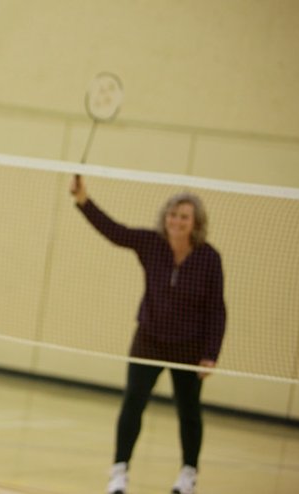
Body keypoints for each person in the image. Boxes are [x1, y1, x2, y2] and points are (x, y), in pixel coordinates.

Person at [70, 176, 226, 494]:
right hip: (150, 339)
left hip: (188, 346)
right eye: (172, 214)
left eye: (183, 216)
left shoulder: (209, 258)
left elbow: (217, 309)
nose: (176, 220)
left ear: (195, 222)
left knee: (189, 412)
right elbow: (115, 232)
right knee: (132, 403)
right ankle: (119, 472)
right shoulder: (152, 244)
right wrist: (84, 201)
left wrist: (211, 353)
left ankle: (188, 475)